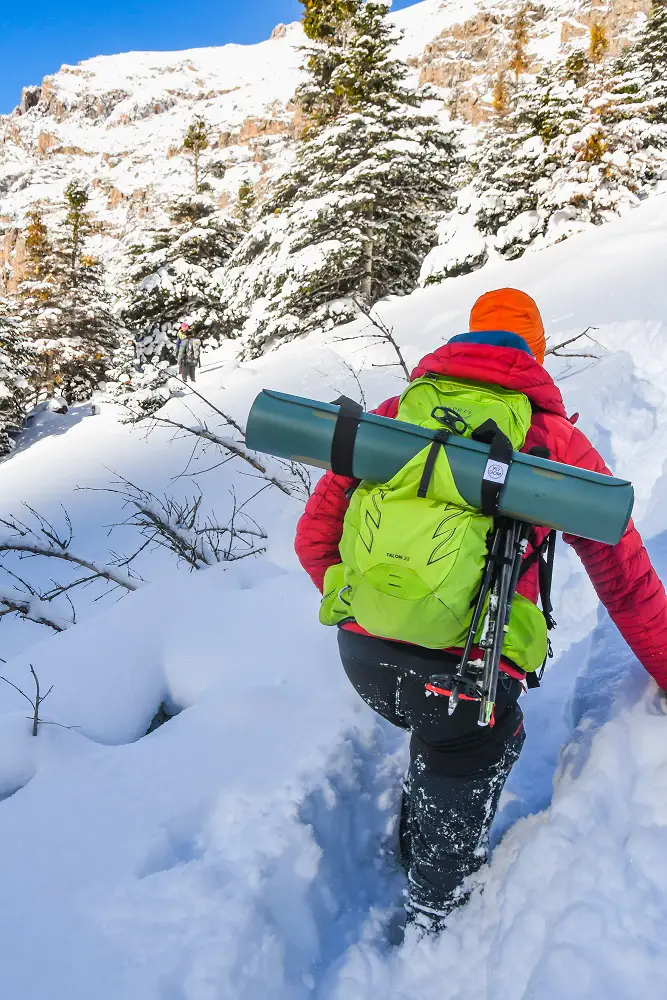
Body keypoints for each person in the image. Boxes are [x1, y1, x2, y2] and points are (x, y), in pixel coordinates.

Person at [294, 287, 667, 933]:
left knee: (436, 730)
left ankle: (413, 847)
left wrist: (373, 602)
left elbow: (312, 541)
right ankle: (432, 912)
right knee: (469, 745)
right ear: (533, 351)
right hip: (469, 668)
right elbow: (624, 580)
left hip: (362, 653)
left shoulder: (392, 416)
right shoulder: (551, 440)